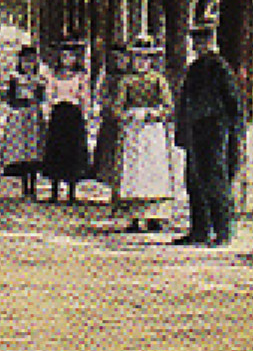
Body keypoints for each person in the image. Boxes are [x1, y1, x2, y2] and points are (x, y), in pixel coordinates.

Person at [173, 21, 244, 246]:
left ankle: (223, 231)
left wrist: (234, 131)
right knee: (194, 179)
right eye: (196, 41)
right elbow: (185, 101)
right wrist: (182, 129)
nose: (199, 45)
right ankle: (200, 230)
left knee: (215, 179)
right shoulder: (194, 68)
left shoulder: (219, 67)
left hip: (215, 129)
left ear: (212, 42)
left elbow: (234, 102)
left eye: (203, 40)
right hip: (195, 129)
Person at [110, 37, 175, 233]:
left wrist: (153, 114)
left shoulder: (158, 81)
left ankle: (155, 216)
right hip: (134, 132)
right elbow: (116, 108)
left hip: (153, 131)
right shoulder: (126, 81)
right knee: (134, 172)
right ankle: (135, 216)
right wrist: (127, 115)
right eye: (138, 58)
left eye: (146, 59)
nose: (141, 63)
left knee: (154, 171)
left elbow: (168, 107)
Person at [39, 40, 92, 202]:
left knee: (73, 151)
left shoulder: (80, 76)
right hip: (59, 114)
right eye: (64, 57)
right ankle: (54, 190)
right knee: (57, 150)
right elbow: (49, 95)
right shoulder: (53, 76)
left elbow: (84, 97)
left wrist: (86, 114)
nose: (67, 60)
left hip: (73, 115)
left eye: (71, 57)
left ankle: (72, 191)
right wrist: (47, 114)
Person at [0, 46, 47, 197]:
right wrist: (19, 102)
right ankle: (24, 185)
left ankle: (33, 184)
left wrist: (37, 101)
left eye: (31, 62)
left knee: (34, 151)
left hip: (34, 117)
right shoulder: (15, 78)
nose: (28, 65)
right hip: (20, 116)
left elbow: (43, 97)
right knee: (22, 150)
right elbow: (10, 98)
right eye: (25, 61)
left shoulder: (39, 79)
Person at [91, 44, 130, 186]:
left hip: (127, 117)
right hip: (111, 117)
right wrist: (106, 106)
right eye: (116, 58)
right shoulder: (107, 76)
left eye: (123, 58)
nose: (120, 61)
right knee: (109, 148)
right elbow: (100, 94)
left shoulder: (130, 76)